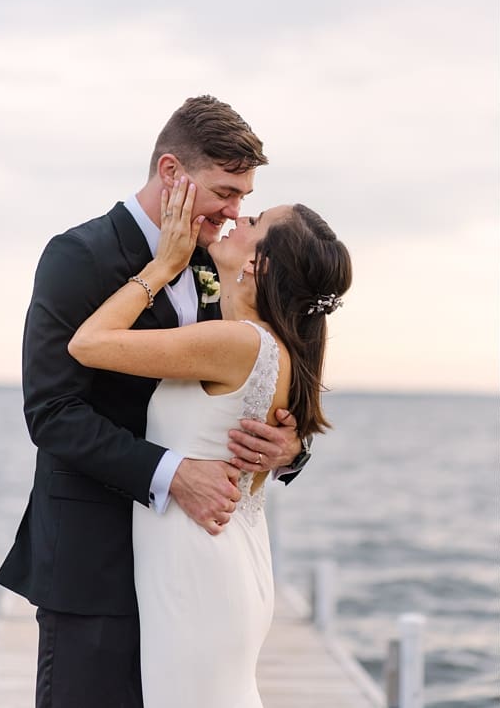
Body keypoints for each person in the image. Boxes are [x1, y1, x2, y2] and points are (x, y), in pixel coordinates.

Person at [0, 95, 309, 708]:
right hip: (96, 561)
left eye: (244, 197)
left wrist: (289, 448)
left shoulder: (220, 263)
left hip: (190, 567)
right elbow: (52, 412)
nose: (232, 211)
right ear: (171, 172)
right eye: (225, 190)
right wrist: (173, 474)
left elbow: (264, 375)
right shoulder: (77, 257)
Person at [68, 177, 352, 705]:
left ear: (258, 265)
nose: (238, 218)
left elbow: (87, 344)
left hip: (197, 572)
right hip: (219, 562)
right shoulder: (272, 347)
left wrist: (160, 268)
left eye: (255, 221)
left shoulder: (236, 341)